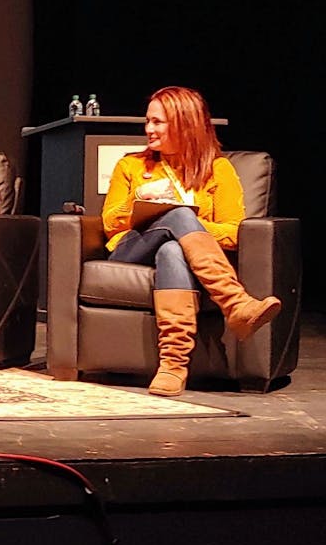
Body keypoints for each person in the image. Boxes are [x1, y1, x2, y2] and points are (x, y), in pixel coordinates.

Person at [100, 85, 280, 396]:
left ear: (185, 123)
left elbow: (235, 231)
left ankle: (173, 366)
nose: (149, 129)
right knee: (180, 216)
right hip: (132, 249)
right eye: (149, 121)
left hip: (176, 254)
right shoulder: (130, 165)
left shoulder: (218, 170)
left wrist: (188, 228)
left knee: (173, 247)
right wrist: (141, 199)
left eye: (158, 122)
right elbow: (108, 222)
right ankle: (235, 303)